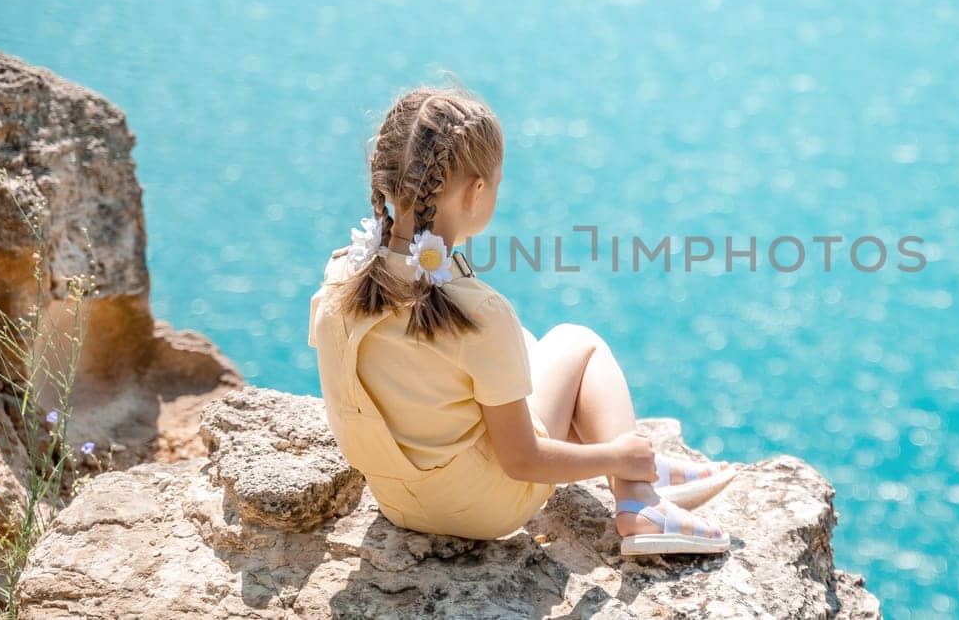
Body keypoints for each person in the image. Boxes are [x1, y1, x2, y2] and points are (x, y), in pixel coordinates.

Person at [307, 83, 735, 555]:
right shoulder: (478, 313)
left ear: (386, 180)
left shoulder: (339, 282)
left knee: (528, 346)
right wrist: (614, 455)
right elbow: (522, 461)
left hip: (398, 500)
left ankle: (642, 469)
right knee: (577, 341)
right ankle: (636, 489)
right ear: (476, 191)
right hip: (484, 509)